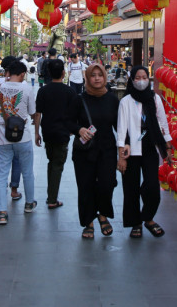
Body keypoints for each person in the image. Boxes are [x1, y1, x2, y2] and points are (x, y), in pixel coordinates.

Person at [116, 65, 172, 238]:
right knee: (130, 188)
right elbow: (121, 130)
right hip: (131, 148)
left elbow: (163, 122)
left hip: (150, 146)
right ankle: (135, 223)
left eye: (144, 77)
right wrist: (121, 156)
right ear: (132, 80)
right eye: (137, 78)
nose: (141, 81)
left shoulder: (155, 98)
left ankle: (148, 217)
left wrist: (167, 146)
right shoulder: (126, 101)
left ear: (149, 79)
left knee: (152, 186)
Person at [66, 63, 120, 239]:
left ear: (105, 77)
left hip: (107, 149)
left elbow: (120, 126)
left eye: (100, 75)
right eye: (93, 75)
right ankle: (88, 221)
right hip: (85, 151)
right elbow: (68, 122)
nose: (97, 78)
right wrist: (79, 129)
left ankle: (103, 215)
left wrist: (125, 146)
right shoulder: (79, 99)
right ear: (87, 78)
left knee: (107, 184)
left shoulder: (112, 100)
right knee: (85, 186)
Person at [0, 60, 37, 224]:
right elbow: (32, 112)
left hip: (3, 138)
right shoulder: (27, 89)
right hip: (23, 138)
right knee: (27, 172)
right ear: (23, 74)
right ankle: (29, 203)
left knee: (1, 175)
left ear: (9, 72)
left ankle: (2, 212)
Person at [34, 59, 77, 209]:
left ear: (49, 73)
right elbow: (74, 114)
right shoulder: (70, 92)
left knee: (52, 162)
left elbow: (38, 114)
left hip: (47, 131)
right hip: (62, 132)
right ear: (64, 73)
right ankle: (52, 199)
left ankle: (51, 195)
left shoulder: (43, 91)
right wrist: (72, 130)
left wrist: (36, 133)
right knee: (57, 164)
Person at [0, 56, 23, 202]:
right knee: (16, 160)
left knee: (2, 165)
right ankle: (14, 190)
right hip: (18, 130)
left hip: (1, 129)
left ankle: (2, 203)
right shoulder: (21, 84)